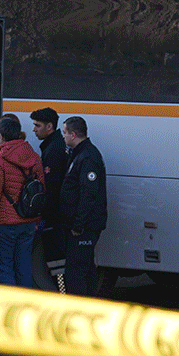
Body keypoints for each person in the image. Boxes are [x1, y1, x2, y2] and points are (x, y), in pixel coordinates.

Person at [0, 115, 43, 286]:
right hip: (28, 221)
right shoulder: (35, 157)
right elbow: (40, 190)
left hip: (4, 223)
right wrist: (36, 219)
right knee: (24, 266)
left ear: (1, 136)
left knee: (3, 268)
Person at [60, 116, 107, 296]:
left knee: (76, 271)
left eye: (64, 133)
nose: (63, 137)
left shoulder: (87, 157)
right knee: (86, 268)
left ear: (73, 134)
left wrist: (78, 225)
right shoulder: (80, 154)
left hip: (84, 227)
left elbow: (89, 195)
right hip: (82, 225)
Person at [31, 107, 68, 275]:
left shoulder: (53, 150)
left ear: (49, 126)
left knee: (56, 265)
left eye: (37, 125)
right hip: (60, 216)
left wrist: (45, 217)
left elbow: (51, 187)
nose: (34, 129)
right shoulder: (55, 144)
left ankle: (60, 295)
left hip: (55, 218)